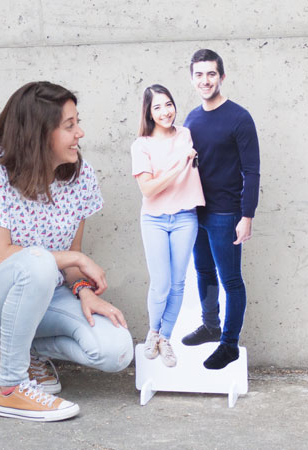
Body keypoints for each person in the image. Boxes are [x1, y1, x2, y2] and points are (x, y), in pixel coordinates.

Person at [0, 81, 133, 422]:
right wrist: (75, 259)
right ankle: (11, 389)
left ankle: (28, 352)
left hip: (45, 298)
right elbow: (1, 255)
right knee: (37, 261)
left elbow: (70, 258)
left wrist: (83, 290)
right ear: (40, 133)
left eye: (77, 122)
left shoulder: (80, 176)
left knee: (116, 350)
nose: (80, 133)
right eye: (69, 126)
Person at [182, 49, 260, 370]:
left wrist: (247, 215)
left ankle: (229, 344)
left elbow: (251, 171)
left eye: (211, 74)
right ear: (192, 79)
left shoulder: (239, 118)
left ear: (222, 77)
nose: (205, 80)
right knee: (203, 271)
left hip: (226, 214)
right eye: (199, 75)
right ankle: (211, 325)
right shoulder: (191, 118)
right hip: (196, 211)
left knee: (231, 281)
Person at [131, 84, 205, 367]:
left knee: (177, 283)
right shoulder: (141, 145)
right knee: (160, 284)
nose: (165, 112)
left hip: (185, 217)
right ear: (149, 113)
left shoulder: (185, 134)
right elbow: (148, 189)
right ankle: (153, 331)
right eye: (157, 107)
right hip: (155, 219)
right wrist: (178, 168)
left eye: (168, 104)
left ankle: (165, 338)